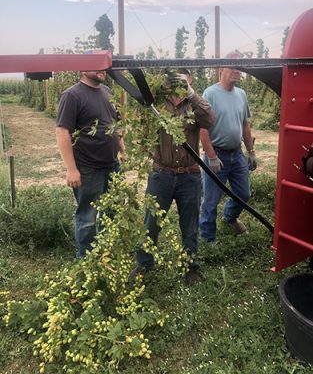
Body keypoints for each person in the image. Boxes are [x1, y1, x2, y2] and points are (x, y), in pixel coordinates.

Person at [133, 69, 215, 285]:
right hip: (161, 174)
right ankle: (144, 263)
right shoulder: (155, 105)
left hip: (190, 176)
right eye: (172, 77)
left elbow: (209, 120)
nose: (176, 81)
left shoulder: (194, 104)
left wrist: (191, 93)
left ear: (189, 79)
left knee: (190, 225)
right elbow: (140, 124)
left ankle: (190, 267)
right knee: (151, 222)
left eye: (182, 77)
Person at [56, 69, 125, 258]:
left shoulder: (108, 92)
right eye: (96, 65)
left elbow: (115, 125)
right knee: (88, 217)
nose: (102, 70)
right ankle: (86, 262)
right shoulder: (72, 95)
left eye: (103, 66)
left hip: (112, 165)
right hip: (87, 167)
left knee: (112, 211)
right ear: (83, 69)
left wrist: (123, 150)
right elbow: (62, 132)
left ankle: (106, 255)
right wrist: (71, 169)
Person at [199, 51, 257, 243]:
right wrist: (212, 156)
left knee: (243, 194)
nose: (236, 71)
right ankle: (208, 237)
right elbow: (203, 128)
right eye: (232, 66)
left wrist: (252, 152)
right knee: (211, 200)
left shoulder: (241, 94)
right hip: (217, 155)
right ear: (221, 68)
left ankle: (230, 217)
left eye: (239, 67)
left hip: (237, 155)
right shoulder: (210, 93)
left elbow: (245, 125)